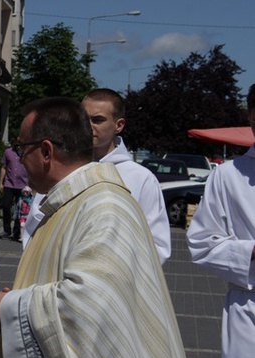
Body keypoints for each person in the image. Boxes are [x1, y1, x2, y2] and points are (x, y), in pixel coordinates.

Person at [0, 97, 197, 358]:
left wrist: (8, 307)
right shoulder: (69, 203)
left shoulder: (103, 207)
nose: (18, 159)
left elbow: (90, 308)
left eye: (21, 148)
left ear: (46, 152)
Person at [22, 88, 172, 265]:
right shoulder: (60, 167)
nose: (89, 126)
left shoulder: (141, 179)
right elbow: (34, 229)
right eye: (84, 119)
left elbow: (157, 246)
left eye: (98, 120)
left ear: (119, 125)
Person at [187, 84, 255, 358]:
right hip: (249, 307)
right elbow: (201, 243)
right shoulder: (228, 176)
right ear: (251, 117)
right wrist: (251, 252)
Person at [0, 144, 27, 241]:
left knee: (21, 210)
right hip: (9, 184)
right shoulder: (8, 152)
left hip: (23, 185)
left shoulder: (27, 152)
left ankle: (17, 232)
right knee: (6, 206)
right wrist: (1, 183)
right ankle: (7, 230)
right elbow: (4, 167)